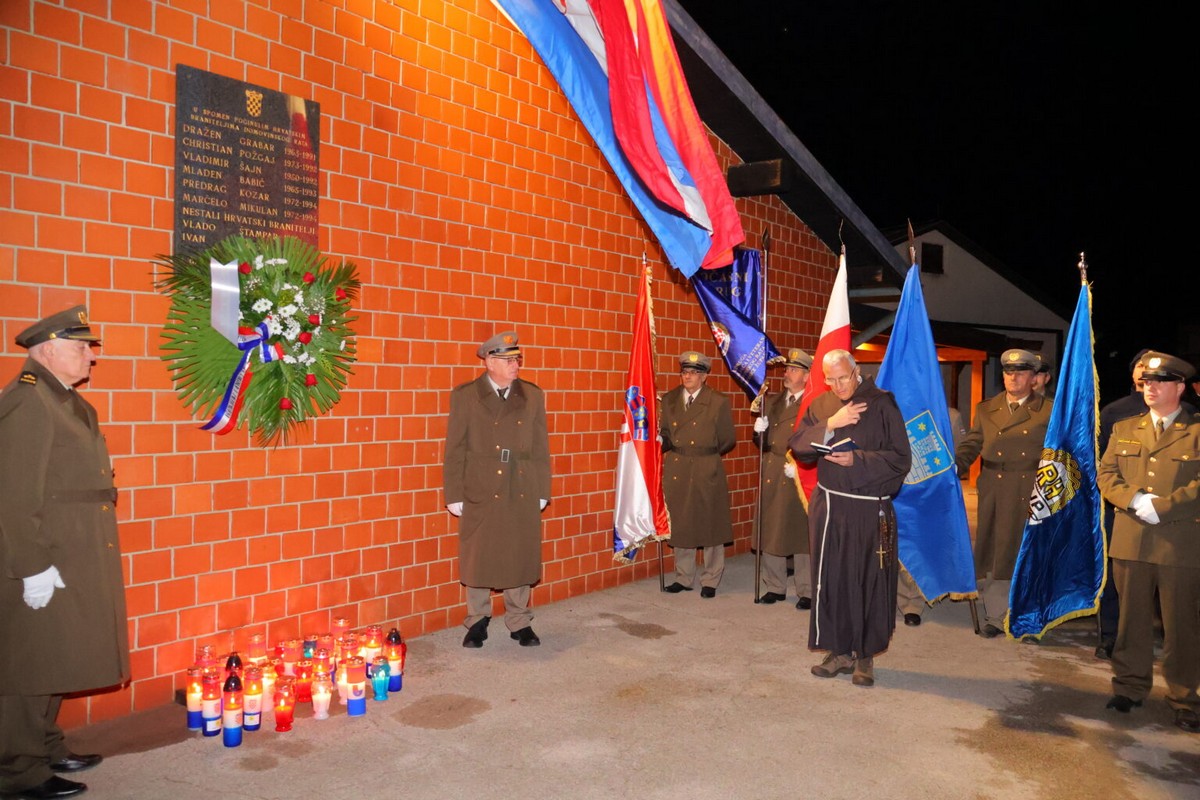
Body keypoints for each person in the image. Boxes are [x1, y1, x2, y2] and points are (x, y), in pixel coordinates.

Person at [0, 307, 129, 800]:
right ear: (48, 349)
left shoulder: (63, 399)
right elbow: (13, 495)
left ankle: (45, 745)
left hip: (72, 548)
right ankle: (17, 771)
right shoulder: (28, 402)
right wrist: (31, 567)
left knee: (56, 654)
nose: (90, 355)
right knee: (28, 664)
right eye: (81, 346)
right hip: (40, 551)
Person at [789, 349, 911, 687]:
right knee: (833, 578)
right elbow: (798, 445)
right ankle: (839, 651)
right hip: (829, 507)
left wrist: (857, 460)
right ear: (825, 379)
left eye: (845, 377)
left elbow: (902, 459)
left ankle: (865, 656)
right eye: (833, 379)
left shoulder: (883, 403)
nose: (840, 385)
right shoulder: (823, 406)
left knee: (867, 579)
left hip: (869, 508)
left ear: (856, 370)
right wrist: (831, 424)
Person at [1097, 352, 1200, 734]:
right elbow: (1106, 473)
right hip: (1132, 537)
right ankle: (1129, 686)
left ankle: (1186, 696)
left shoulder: (1197, 430)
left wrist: (1166, 507)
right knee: (1131, 620)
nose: (1149, 388)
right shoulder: (1126, 428)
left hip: (1181, 541)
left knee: (1181, 624)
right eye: (1146, 382)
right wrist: (1135, 500)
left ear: (1179, 387)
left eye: (1159, 382)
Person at [443, 331, 551, 648]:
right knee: (478, 554)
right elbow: (455, 448)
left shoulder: (532, 395)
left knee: (519, 551)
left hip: (521, 482)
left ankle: (520, 621)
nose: (515, 364)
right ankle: (477, 620)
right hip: (480, 483)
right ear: (489, 362)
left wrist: (542, 488)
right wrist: (453, 493)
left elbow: (541, 447)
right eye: (507, 359)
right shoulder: (465, 395)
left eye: (517, 358)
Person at [955, 348, 1052, 637]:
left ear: (1034, 378)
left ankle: (1029, 616)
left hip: (1030, 485)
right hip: (994, 485)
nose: (1013, 377)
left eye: (1021, 372)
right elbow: (972, 444)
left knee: (1025, 551)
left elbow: (1060, 453)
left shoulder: (1048, 410)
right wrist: (951, 468)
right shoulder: (987, 408)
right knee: (996, 550)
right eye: (1009, 372)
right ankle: (997, 615)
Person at [660, 351, 735, 598]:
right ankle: (683, 576)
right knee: (681, 522)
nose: (687, 376)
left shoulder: (717, 401)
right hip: (678, 466)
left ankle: (711, 579)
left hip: (706, 465)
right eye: (684, 372)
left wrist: (705, 453)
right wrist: (660, 441)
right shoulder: (669, 399)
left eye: (693, 373)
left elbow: (727, 440)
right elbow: (666, 433)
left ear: (704, 377)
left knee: (711, 523)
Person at [1094, 349, 1151, 659]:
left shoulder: (1187, 413)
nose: (1146, 374)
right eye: (1140, 367)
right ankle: (1110, 636)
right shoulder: (1115, 412)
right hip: (1119, 508)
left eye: (1153, 369)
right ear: (1132, 373)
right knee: (1116, 575)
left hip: (1166, 511)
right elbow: (1103, 464)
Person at [896, 403, 968, 627]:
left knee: (923, 547)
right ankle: (898, 598)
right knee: (897, 546)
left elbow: (961, 452)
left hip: (931, 495)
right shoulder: (895, 410)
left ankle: (913, 602)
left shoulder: (950, 416)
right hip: (898, 490)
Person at [752, 348, 812, 608]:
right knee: (771, 529)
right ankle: (775, 586)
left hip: (798, 471)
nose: (787, 373)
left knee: (800, 533)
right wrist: (758, 433)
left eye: (794, 369)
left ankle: (807, 590)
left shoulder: (813, 404)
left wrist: (802, 464)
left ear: (808, 376)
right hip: (773, 469)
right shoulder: (773, 401)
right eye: (788, 368)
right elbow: (763, 444)